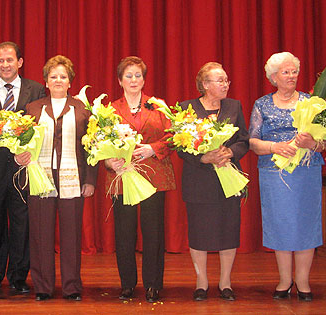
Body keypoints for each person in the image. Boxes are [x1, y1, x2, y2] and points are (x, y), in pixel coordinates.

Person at [14, 55, 96, 301]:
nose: (58, 80)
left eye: (63, 76)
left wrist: (90, 180)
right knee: (40, 234)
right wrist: (20, 156)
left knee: (71, 235)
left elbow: (91, 147)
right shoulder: (32, 108)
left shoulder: (83, 109)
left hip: (74, 176)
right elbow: (21, 142)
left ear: (70, 81)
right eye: (53, 76)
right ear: (46, 81)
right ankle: (43, 287)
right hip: (41, 177)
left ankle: (72, 287)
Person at [249, 52, 326, 302]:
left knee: (305, 223)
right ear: (274, 77)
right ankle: (284, 280)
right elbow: (252, 141)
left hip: (306, 170)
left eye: (294, 71)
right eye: (286, 72)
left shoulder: (311, 102)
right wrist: (274, 147)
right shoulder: (262, 104)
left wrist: (312, 142)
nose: (292, 76)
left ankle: (303, 281)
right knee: (280, 224)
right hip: (274, 171)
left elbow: (324, 143)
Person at [103, 56, 175, 303]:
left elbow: (174, 137)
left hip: (154, 176)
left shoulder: (159, 106)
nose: (133, 80)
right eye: (128, 75)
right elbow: (99, 143)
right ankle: (127, 284)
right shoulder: (110, 110)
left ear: (144, 79)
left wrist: (153, 148)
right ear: (120, 80)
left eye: (138, 75)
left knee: (153, 232)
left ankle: (153, 284)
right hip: (122, 176)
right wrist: (108, 161)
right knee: (124, 233)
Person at [0, 41, 45, 294]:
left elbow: (41, 129)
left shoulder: (36, 90)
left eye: (10, 60)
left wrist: (30, 151)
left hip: (23, 169)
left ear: (20, 62)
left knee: (22, 223)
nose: (5, 64)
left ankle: (19, 275)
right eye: (0, 60)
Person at [177, 62, 249, 301]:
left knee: (229, 230)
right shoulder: (187, 107)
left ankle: (225, 282)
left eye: (226, 80)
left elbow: (243, 140)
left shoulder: (234, 106)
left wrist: (230, 153)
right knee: (199, 232)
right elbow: (179, 145)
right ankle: (201, 282)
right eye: (220, 80)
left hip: (228, 178)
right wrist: (203, 157)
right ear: (205, 85)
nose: (226, 84)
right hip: (199, 180)